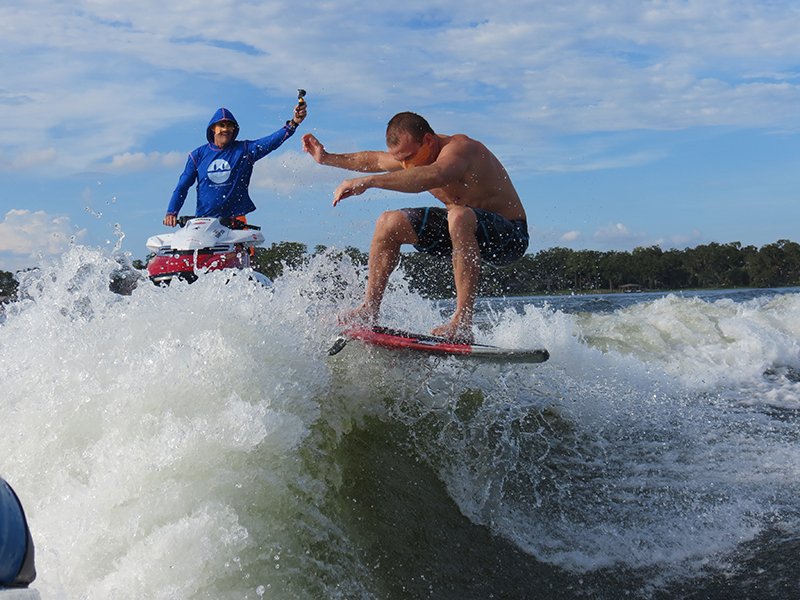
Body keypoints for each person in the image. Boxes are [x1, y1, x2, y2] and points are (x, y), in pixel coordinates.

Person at [302, 111, 528, 343]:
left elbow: (434, 175)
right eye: (400, 160)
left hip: (508, 238)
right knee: (388, 222)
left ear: (429, 141)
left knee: (459, 216)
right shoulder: (409, 157)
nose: (405, 165)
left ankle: (463, 321)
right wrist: (326, 158)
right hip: (460, 232)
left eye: (409, 157)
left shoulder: (460, 149)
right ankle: (369, 309)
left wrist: (369, 182)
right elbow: (375, 160)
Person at [163, 99, 307, 227]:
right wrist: (172, 212)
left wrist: (293, 123)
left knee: (240, 255)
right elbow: (182, 187)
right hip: (203, 223)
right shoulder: (197, 155)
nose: (225, 129)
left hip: (235, 221)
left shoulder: (245, 150)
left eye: (229, 126)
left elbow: (271, 141)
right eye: (221, 125)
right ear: (213, 128)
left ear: (234, 129)